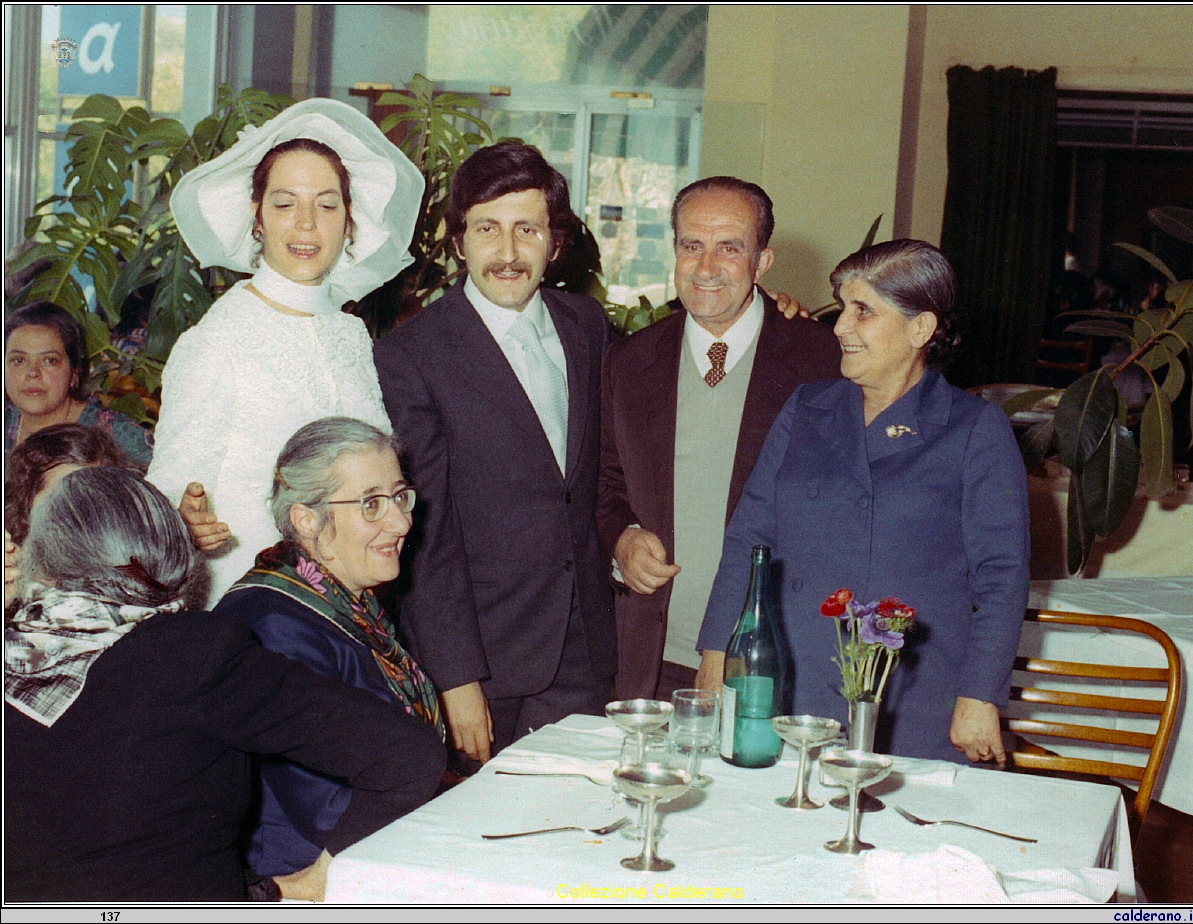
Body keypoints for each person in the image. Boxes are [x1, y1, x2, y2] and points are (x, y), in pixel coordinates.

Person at [4, 467, 444, 901]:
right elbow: (410, 756)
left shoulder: (14, 651)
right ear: (167, 550)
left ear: (43, 561)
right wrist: (310, 883)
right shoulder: (192, 654)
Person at [695, 240, 1030, 764]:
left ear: (920, 328)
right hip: (794, 685)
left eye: (863, 311)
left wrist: (979, 694)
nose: (841, 327)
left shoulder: (973, 429)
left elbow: (1002, 575)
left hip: (913, 695)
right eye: (843, 307)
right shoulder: (807, 408)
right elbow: (748, 539)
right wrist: (717, 654)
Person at [375, 141, 615, 762]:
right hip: (486, 666)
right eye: (487, 229)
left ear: (555, 243)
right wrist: (456, 678)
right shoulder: (412, 356)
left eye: (527, 229)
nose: (508, 253)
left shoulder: (587, 326)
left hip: (586, 651)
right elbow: (423, 531)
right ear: (459, 241)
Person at [148, 97, 423, 607]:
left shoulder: (350, 335)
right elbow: (167, 492)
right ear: (256, 217)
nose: (306, 224)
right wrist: (183, 519)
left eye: (326, 204)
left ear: (349, 220)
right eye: (284, 203)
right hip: (249, 607)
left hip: (346, 607)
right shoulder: (217, 339)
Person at [597, 176, 841, 701]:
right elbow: (604, 480)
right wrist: (622, 536)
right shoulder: (629, 361)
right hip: (651, 659)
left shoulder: (823, 363)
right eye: (692, 246)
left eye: (729, 248)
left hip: (774, 660)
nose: (706, 268)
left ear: (763, 261)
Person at [213, 418, 442, 897]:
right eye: (371, 504)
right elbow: (324, 805)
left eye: (400, 496)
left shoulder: (343, 599)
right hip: (306, 878)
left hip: (368, 848)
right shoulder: (274, 624)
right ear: (306, 519)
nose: (401, 522)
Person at [4, 301, 153, 468]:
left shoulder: (118, 437)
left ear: (74, 373)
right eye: (18, 360)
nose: (32, 373)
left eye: (50, 360)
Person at [4, 424, 128, 610]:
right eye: (59, 500)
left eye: (90, 502)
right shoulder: (13, 561)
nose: (73, 515)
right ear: (27, 504)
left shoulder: (130, 570)